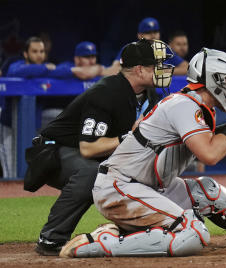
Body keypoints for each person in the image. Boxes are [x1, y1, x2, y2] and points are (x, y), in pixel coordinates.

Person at [59, 49, 226, 257]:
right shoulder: (185, 106)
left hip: (146, 186)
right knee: (194, 233)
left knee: (207, 190)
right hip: (120, 188)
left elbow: (202, 143)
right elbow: (209, 154)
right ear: (213, 79)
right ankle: (100, 244)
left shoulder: (192, 105)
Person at [31, 39, 173, 255]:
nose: (162, 70)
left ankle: (135, 232)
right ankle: (51, 238)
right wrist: (130, 135)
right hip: (52, 152)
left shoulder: (150, 95)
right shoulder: (107, 92)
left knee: (143, 173)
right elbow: (88, 148)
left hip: (91, 153)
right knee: (92, 173)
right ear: (139, 69)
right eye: (156, 66)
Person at [109, 17, 189, 76]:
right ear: (139, 35)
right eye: (148, 32)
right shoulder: (130, 49)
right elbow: (114, 69)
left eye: (155, 32)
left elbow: (187, 68)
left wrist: (162, 71)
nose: (153, 35)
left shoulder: (164, 49)